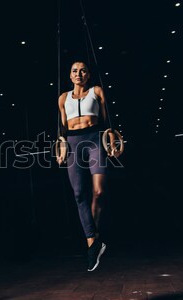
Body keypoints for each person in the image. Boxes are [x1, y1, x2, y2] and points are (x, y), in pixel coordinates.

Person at [56, 60, 120, 272]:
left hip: (94, 139)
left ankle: (94, 235)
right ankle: (92, 243)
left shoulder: (97, 91)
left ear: (88, 74)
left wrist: (112, 140)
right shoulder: (63, 98)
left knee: (99, 192)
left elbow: (107, 120)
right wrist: (62, 148)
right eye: (74, 70)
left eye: (83, 70)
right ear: (70, 75)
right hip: (73, 142)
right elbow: (62, 129)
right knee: (78, 194)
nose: (78, 73)